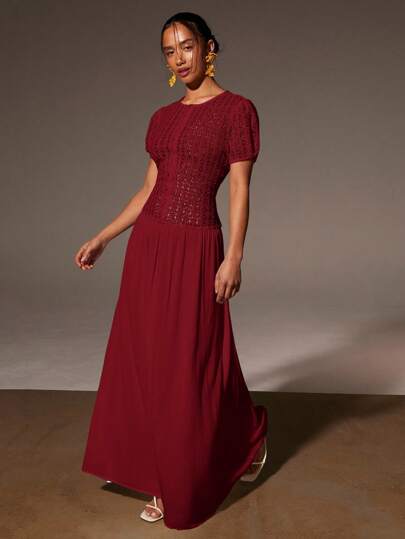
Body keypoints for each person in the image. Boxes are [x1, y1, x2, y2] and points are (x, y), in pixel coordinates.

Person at [76, 11, 268, 530]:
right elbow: (149, 190)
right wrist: (104, 236)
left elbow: (239, 188)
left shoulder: (237, 110)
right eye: (169, 51)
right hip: (149, 248)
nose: (178, 58)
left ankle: (243, 437)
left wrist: (235, 255)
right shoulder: (161, 118)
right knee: (152, 362)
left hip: (197, 247)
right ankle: (163, 473)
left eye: (186, 46)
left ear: (209, 47)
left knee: (193, 361)